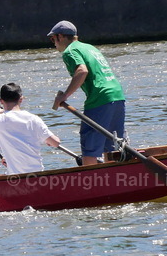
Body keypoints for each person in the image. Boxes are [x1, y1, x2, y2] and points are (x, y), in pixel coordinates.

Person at [48, 20, 127, 166]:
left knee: (89, 149)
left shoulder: (70, 51)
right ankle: (115, 178)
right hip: (117, 95)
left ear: (60, 37)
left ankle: (93, 183)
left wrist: (64, 96)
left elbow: (82, 71)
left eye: (53, 39)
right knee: (112, 148)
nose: (53, 43)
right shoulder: (89, 47)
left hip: (100, 99)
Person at [0, 83, 61, 175]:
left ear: (1, 101)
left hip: (15, 178)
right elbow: (56, 142)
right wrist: (47, 140)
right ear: (21, 99)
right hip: (37, 176)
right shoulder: (33, 119)